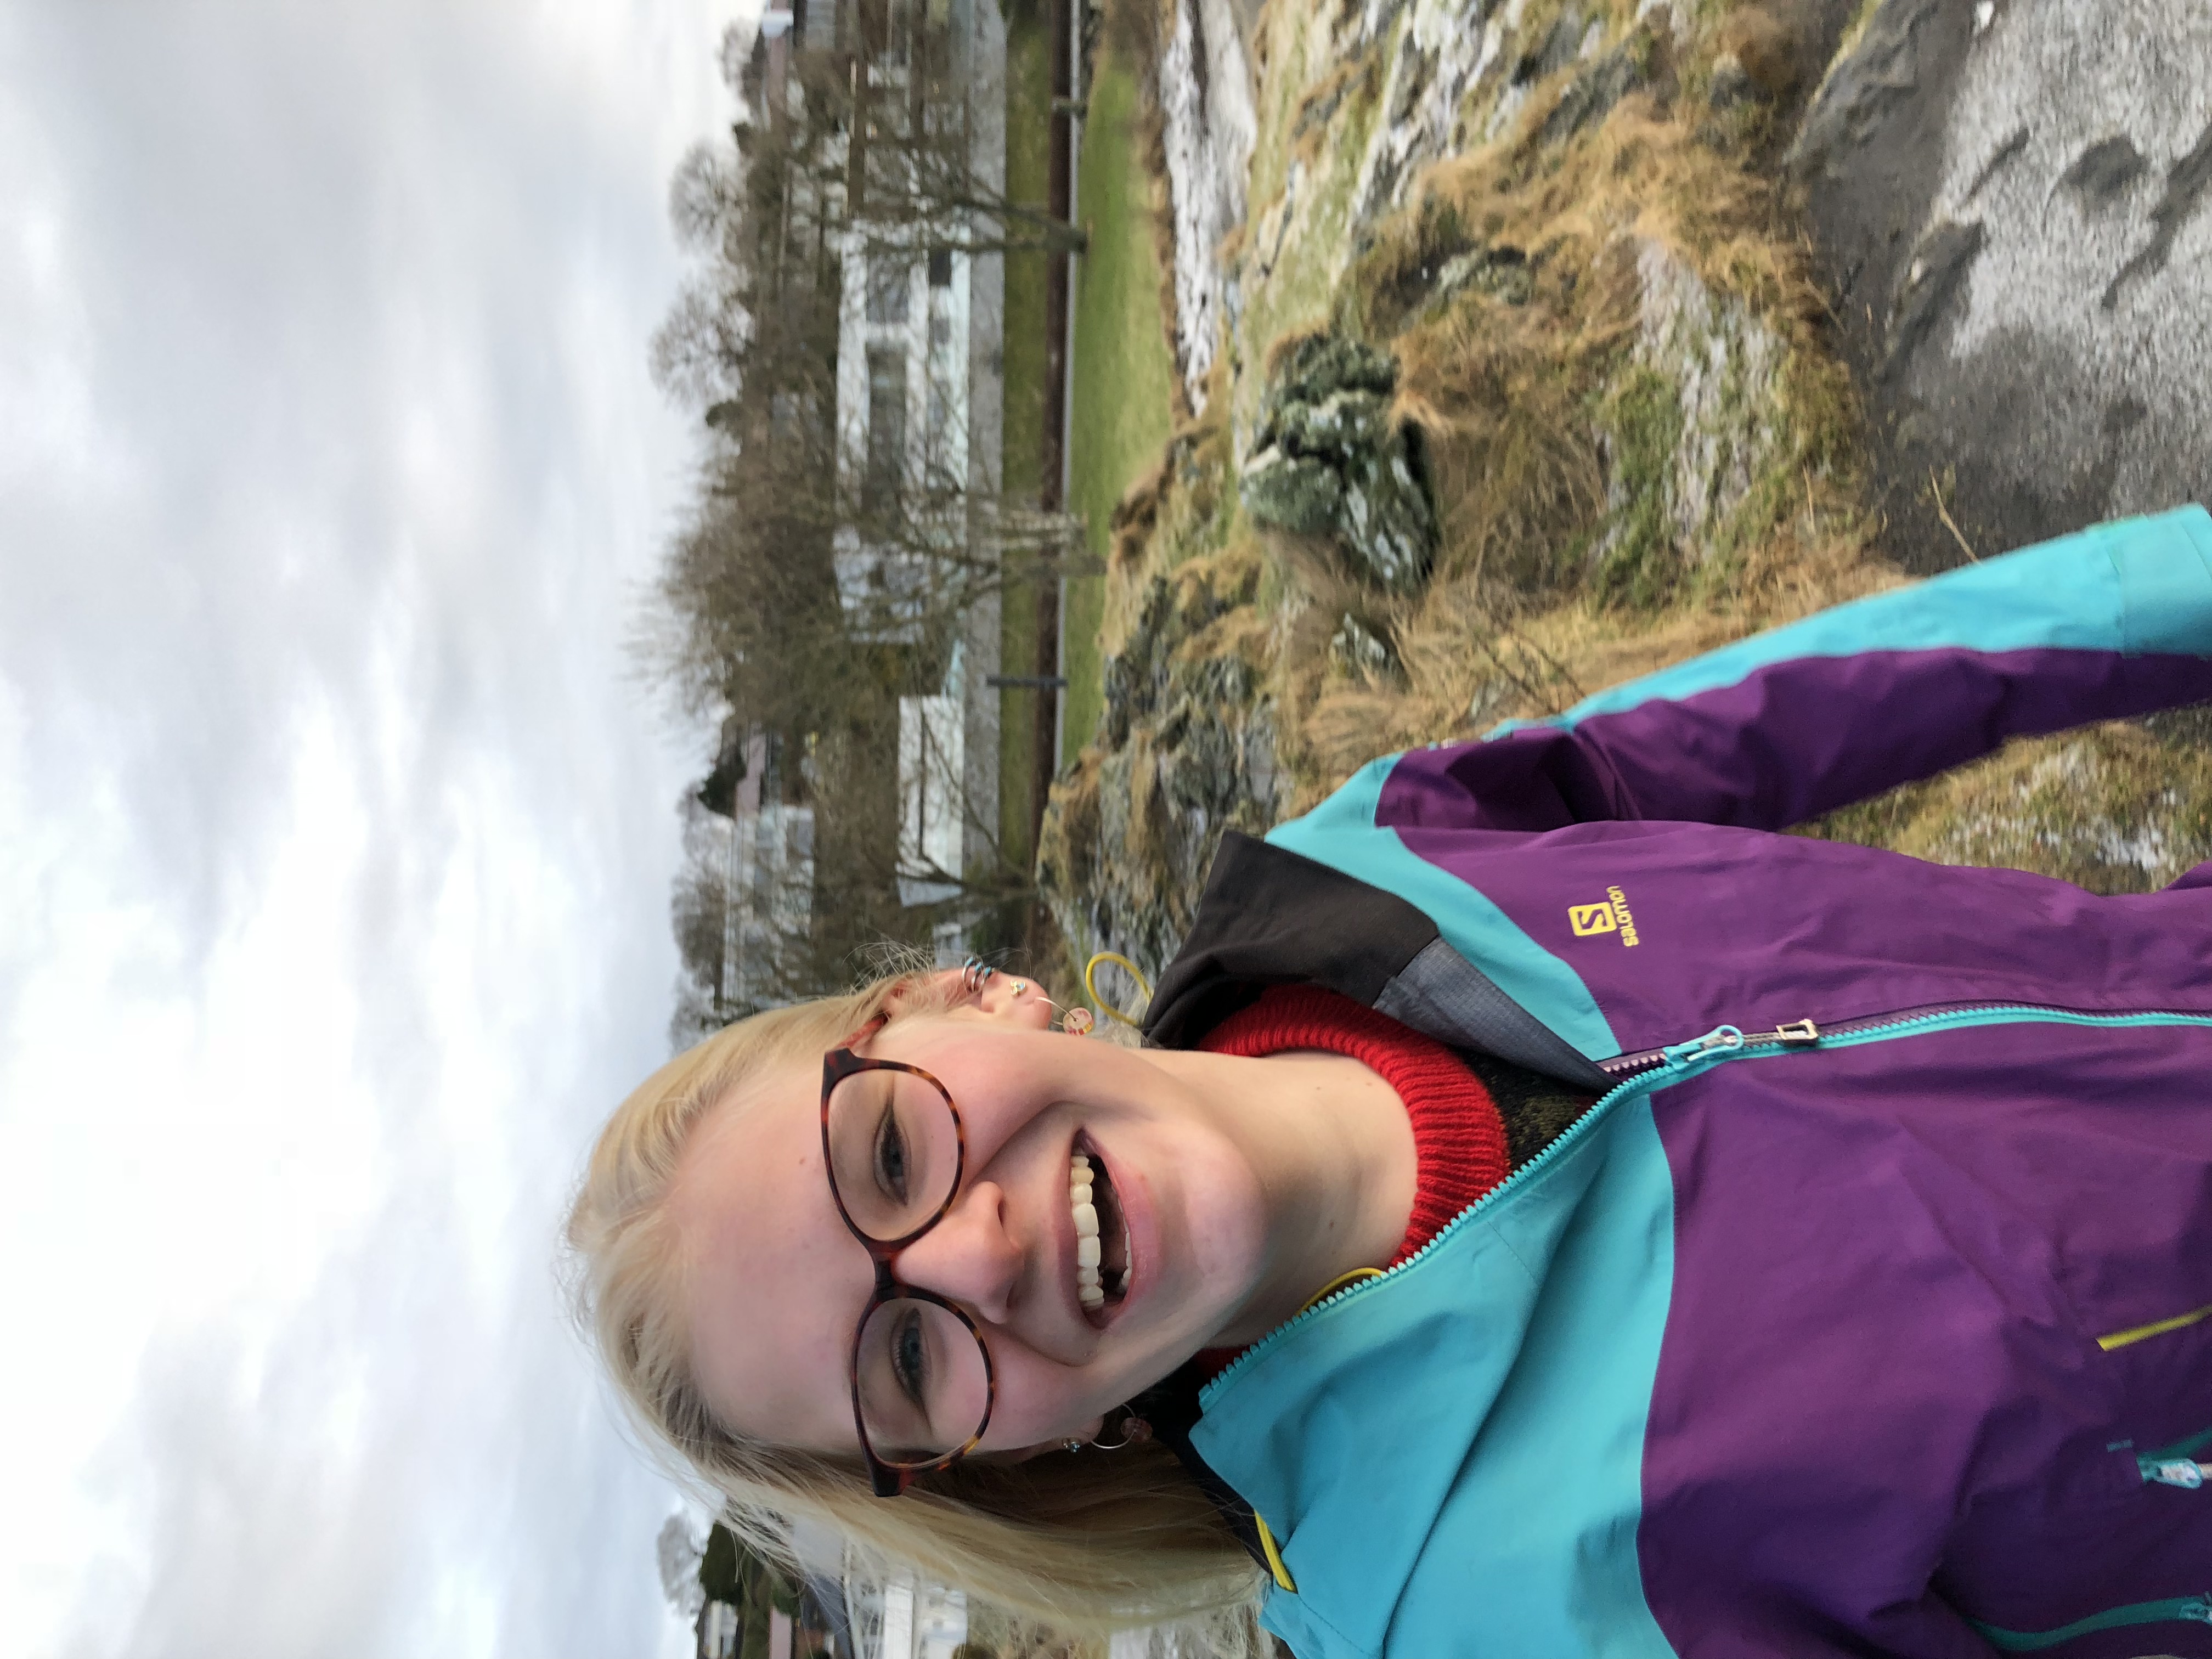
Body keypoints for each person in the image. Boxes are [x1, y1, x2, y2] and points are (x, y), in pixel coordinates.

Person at [568, 505, 2212, 1659]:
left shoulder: (1364, 863)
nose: (974, 1257)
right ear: (984, 1462)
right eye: (903, 1362)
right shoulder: (1467, 1620)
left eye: (883, 1154)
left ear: (960, 1000)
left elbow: (1812, 698)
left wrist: (2179, 588)